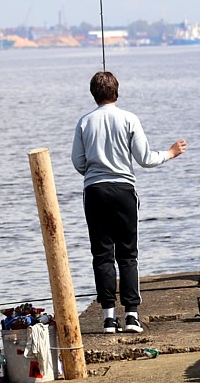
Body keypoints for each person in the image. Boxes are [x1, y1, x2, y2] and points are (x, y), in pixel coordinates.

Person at [71, 71, 187, 334]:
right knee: (128, 253)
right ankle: (132, 315)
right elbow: (144, 158)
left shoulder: (84, 122)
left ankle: (108, 318)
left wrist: (94, 173)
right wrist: (170, 153)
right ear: (117, 92)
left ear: (93, 94)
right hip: (124, 191)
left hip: (95, 192)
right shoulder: (129, 119)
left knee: (102, 255)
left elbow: (78, 162)